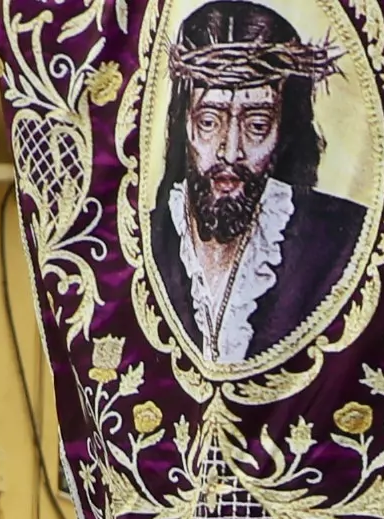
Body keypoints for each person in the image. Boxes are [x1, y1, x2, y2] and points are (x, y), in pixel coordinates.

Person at [152, 2, 371, 367]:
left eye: (256, 125)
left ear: (284, 132)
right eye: (209, 121)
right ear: (182, 122)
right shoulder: (139, 242)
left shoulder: (342, 240)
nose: (230, 150)